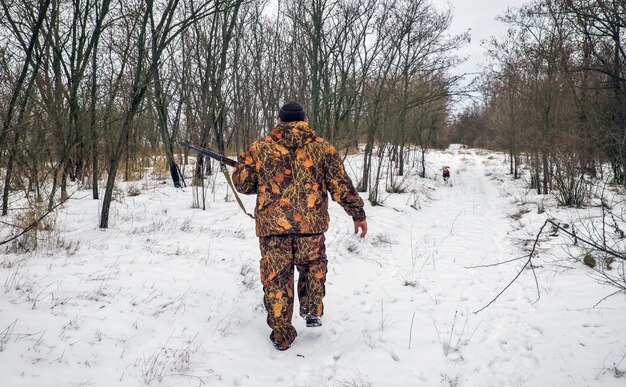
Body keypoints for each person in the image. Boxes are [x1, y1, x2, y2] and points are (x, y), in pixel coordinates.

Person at [232, 101, 368, 351]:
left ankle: (282, 335)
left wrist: (246, 168)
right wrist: (357, 213)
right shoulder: (322, 148)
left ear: (280, 121)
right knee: (313, 267)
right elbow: (340, 185)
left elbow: (244, 185)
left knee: (277, 280)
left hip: (273, 230)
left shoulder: (260, 148)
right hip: (311, 228)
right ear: (304, 121)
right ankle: (312, 310)